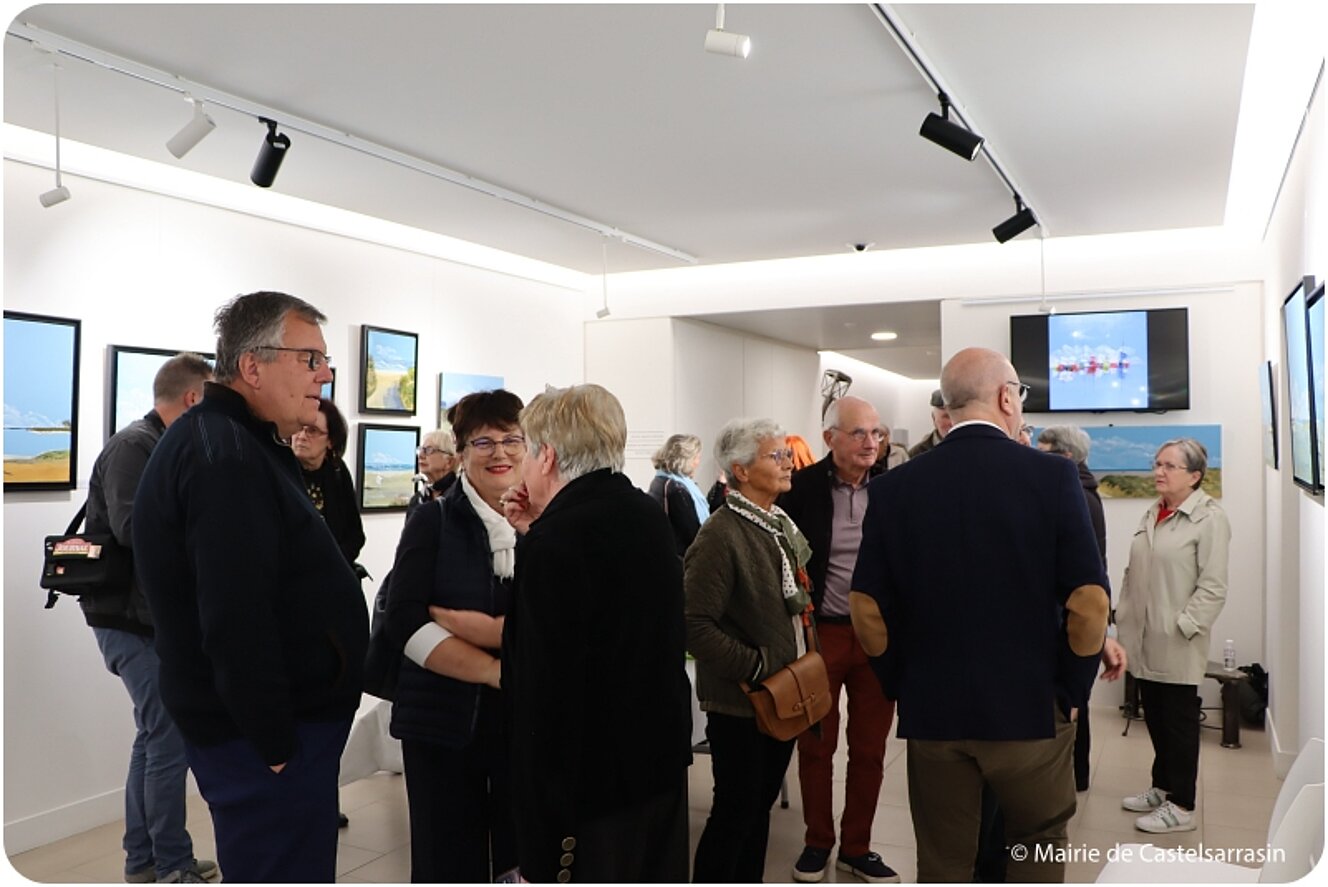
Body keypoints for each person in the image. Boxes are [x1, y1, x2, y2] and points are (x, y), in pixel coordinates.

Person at [849, 347, 1110, 882]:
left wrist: (901, 682)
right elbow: (1089, 602)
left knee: (943, 861)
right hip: (1029, 711)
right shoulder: (1053, 478)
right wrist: (1072, 689)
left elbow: (866, 607)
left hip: (934, 713)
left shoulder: (893, 487)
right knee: (1036, 847)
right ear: (1006, 397)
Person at [133, 291, 369, 883]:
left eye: (324, 360)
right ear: (252, 366)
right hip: (264, 741)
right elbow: (235, 615)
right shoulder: (225, 456)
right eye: (310, 359)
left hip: (270, 733)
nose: (325, 375)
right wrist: (274, 745)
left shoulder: (238, 443)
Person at [500, 383, 692, 882]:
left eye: (525, 450)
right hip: (654, 762)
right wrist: (535, 531)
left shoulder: (558, 540)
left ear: (546, 456)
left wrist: (540, 818)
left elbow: (543, 689)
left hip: (591, 787)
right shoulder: (645, 514)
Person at [82, 353, 217, 885]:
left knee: (155, 737)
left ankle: (144, 860)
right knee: (169, 738)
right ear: (193, 398)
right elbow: (132, 527)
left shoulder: (159, 444)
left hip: (146, 618)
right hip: (127, 620)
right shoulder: (133, 446)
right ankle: (172, 864)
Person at [386, 390, 522, 881]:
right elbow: (404, 620)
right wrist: (494, 670)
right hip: (440, 721)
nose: (500, 452)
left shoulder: (545, 523)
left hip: (523, 724)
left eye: (511, 439)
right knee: (447, 860)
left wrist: (496, 635)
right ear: (462, 453)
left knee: (522, 855)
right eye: (483, 442)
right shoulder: (434, 520)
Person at [685, 417, 813, 883]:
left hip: (781, 692)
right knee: (736, 812)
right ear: (740, 470)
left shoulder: (777, 524)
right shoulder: (721, 534)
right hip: (742, 700)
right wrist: (756, 666)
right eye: (775, 456)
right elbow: (693, 624)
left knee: (758, 810)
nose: (788, 463)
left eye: (786, 454)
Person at [778, 396, 899, 884]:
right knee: (816, 746)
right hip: (820, 634)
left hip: (876, 637)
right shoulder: (801, 489)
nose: (871, 442)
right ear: (830, 438)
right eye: (859, 433)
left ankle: (857, 847)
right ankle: (817, 842)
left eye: (877, 432)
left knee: (869, 750)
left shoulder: (893, 489)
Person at [1116, 438, 1229, 834]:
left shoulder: (1209, 519)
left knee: (1178, 725)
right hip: (1143, 637)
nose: (1158, 472)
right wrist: (1125, 615)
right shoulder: (1155, 511)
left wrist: (1184, 626)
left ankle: (1181, 805)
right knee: (1156, 718)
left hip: (1177, 641)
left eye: (1169, 466)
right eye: (1157, 464)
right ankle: (1162, 787)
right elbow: (1135, 572)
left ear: (1194, 476)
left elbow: (1213, 587)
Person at [292, 397, 366, 570]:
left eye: (312, 431)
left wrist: (333, 565)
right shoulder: (281, 469)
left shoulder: (337, 471)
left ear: (330, 440)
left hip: (332, 573)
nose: (301, 436)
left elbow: (355, 535)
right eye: (299, 427)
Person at [648, 433, 710, 556]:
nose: (698, 462)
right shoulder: (677, 489)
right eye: (696, 458)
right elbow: (693, 534)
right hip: (681, 558)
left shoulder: (661, 479)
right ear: (686, 460)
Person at [406, 428, 458, 520]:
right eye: (421, 450)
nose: (420, 455)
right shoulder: (417, 500)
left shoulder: (460, 498)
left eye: (428, 450)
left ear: (449, 462)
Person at [905, 388, 952, 459]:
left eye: (956, 416)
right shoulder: (916, 454)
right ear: (934, 419)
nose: (952, 422)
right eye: (946, 417)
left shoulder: (968, 447)